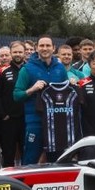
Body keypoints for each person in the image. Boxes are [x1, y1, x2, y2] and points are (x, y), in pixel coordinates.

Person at [14, 36, 68, 164]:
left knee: (56, 160)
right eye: (42, 46)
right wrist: (32, 89)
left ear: (53, 48)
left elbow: (67, 93)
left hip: (56, 122)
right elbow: (16, 95)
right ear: (36, 48)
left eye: (48, 45)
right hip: (35, 121)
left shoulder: (60, 68)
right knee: (30, 159)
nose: (45, 48)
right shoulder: (27, 69)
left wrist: (70, 84)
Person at [0, 41, 26, 167]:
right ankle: (7, 177)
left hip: (26, 118)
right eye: (15, 52)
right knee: (8, 153)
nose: (18, 54)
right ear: (11, 53)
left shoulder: (29, 70)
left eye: (20, 52)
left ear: (24, 53)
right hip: (9, 119)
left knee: (27, 152)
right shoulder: (3, 72)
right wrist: (3, 114)